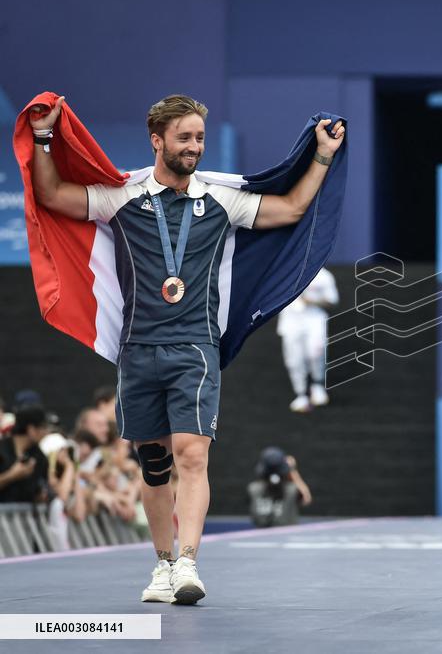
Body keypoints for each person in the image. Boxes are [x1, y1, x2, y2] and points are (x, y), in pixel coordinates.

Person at [28, 94, 345, 605]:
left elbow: (291, 208)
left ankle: (189, 563)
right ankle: (162, 564)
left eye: (199, 137)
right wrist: (44, 136)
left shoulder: (220, 200)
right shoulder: (122, 197)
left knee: (192, 455)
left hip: (195, 349)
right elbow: (51, 195)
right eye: (184, 138)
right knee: (154, 464)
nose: (195, 146)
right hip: (137, 349)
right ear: (157, 140)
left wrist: (323, 155)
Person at [277, 268, 339, 412]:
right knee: (294, 360)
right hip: (291, 320)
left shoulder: (324, 276)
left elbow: (332, 300)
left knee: (316, 352)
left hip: (314, 319)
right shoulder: (285, 271)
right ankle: (301, 394)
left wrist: (312, 301)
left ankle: (317, 385)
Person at [248, 446, 312, 527]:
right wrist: (292, 470)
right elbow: (306, 499)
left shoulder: (253, 488)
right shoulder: (292, 489)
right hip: (287, 533)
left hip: (263, 533)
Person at [0, 407, 50, 503]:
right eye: (43, 427)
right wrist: (11, 475)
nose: (45, 433)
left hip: (25, 511)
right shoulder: (2, 449)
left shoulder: (39, 456)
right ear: (31, 429)